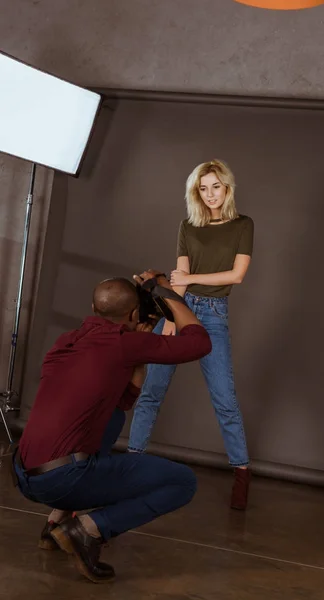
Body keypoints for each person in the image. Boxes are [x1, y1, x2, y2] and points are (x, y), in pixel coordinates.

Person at [12, 271, 211, 584]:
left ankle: (55, 525)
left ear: (94, 308)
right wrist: (167, 291)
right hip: (60, 479)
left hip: (25, 474)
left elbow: (119, 405)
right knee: (183, 482)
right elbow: (199, 343)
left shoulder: (69, 340)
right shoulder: (124, 345)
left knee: (111, 420)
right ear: (133, 315)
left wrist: (140, 356)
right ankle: (87, 530)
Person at [128, 159, 254, 510]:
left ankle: (241, 474)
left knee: (224, 400)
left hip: (213, 315)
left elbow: (236, 275)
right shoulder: (188, 225)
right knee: (151, 390)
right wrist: (170, 317)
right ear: (195, 192)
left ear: (226, 188)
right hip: (180, 308)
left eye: (216, 186)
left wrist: (188, 281)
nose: (210, 194)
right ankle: (133, 464)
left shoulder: (243, 225)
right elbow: (179, 278)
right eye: (203, 188)